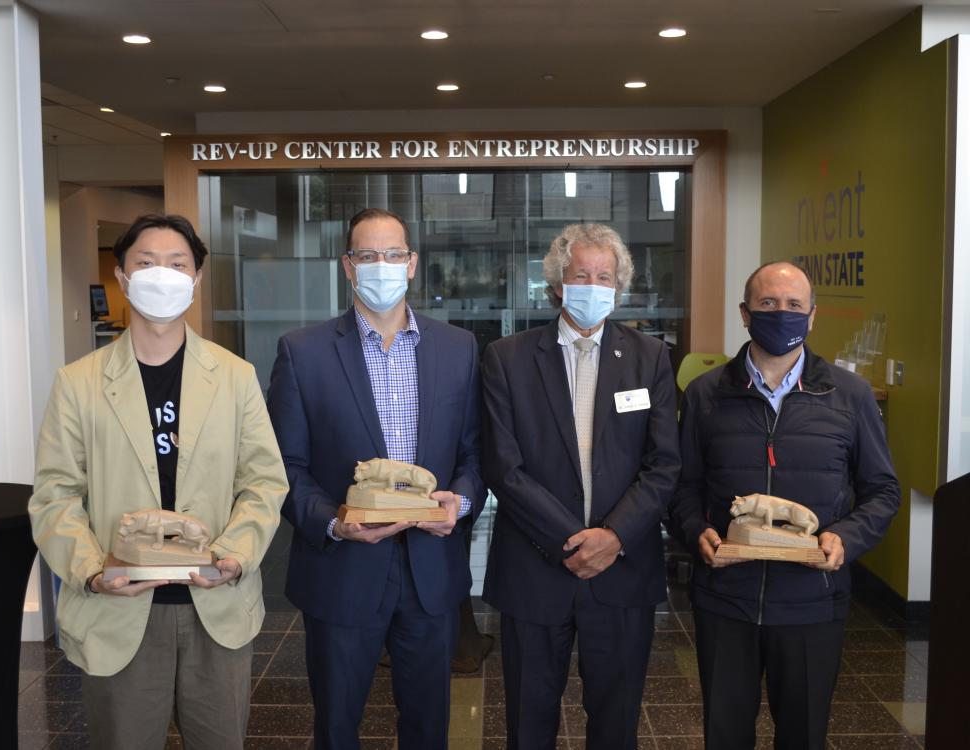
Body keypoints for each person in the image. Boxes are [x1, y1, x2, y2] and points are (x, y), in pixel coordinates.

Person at [28, 214, 288, 750]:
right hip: (118, 610)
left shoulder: (235, 376)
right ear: (122, 278)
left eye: (177, 264)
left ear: (195, 280)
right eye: (146, 263)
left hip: (215, 606)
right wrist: (94, 572)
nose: (161, 275)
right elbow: (55, 497)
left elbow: (264, 482)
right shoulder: (78, 383)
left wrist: (233, 556)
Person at [267, 207, 485, 750]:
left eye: (392, 255)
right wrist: (335, 524)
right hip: (342, 571)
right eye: (368, 255)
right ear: (348, 266)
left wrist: (460, 500)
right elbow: (283, 468)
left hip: (430, 573)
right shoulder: (303, 353)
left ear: (412, 264)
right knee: (337, 728)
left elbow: (475, 454)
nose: (381, 266)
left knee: (428, 727)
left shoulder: (458, 349)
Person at [668, 261, 901, 750]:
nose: (782, 313)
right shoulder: (705, 395)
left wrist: (847, 537)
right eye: (768, 304)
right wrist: (695, 532)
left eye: (794, 305)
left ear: (812, 316)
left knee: (803, 735)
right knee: (725, 735)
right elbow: (681, 487)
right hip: (726, 599)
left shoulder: (850, 396)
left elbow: (883, 491)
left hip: (812, 602)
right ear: (745, 313)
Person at [481, 223, 681, 749]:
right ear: (557, 283)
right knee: (528, 722)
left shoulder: (650, 358)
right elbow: (504, 467)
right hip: (534, 568)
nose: (594, 284)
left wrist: (612, 537)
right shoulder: (508, 358)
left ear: (620, 286)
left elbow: (663, 465)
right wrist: (572, 540)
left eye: (605, 275)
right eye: (581, 274)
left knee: (616, 725)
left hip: (623, 570)